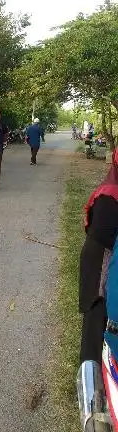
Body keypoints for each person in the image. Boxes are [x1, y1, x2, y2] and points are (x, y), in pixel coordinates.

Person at [79, 149, 118, 365]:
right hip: (100, 260)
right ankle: (91, 377)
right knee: (96, 314)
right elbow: (102, 234)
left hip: (108, 257)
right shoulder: (110, 193)